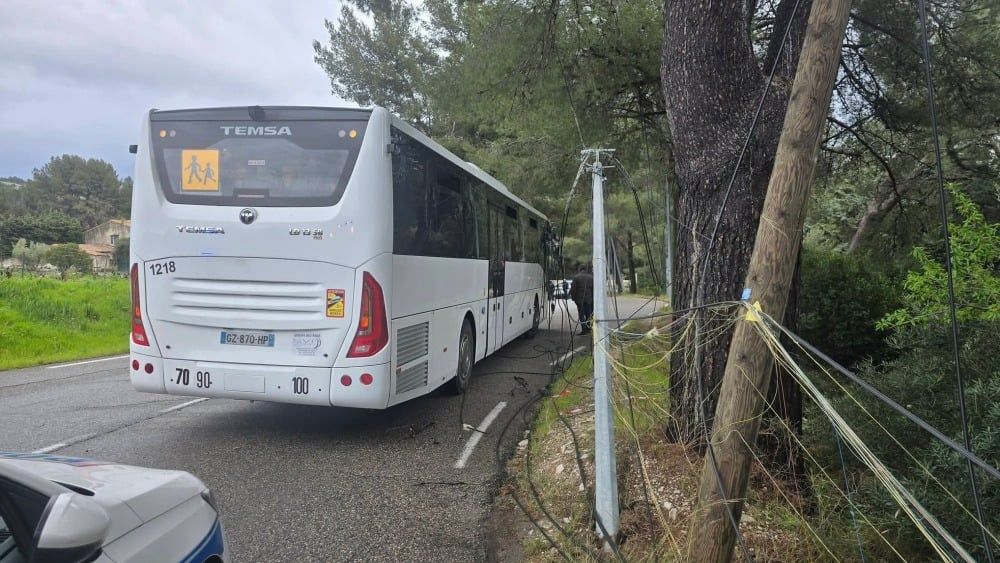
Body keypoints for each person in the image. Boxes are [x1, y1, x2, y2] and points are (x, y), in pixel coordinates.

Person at [570, 264, 594, 335]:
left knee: (581, 315)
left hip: (579, 300)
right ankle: (589, 328)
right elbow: (593, 289)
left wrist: (573, 298)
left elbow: (573, 289)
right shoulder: (591, 277)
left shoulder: (576, 277)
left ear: (579, 269)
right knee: (589, 314)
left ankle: (584, 330)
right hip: (589, 300)